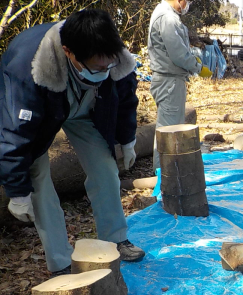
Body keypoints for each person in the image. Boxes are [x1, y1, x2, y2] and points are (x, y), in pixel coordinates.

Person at [0, 9, 145, 277]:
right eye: (97, 68)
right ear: (69, 52)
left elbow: (125, 101)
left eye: (108, 67)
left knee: (105, 167)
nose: (104, 71)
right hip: (41, 111)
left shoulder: (113, 55)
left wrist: (127, 140)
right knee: (38, 182)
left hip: (85, 106)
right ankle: (61, 263)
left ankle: (115, 239)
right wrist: (16, 190)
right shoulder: (26, 69)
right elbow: (14, 133)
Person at [148, 0, 212, 171]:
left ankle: (164, 175)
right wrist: (198, 67)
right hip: (169, 81)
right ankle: (163, 178)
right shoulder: (167, 17)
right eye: (187, 1)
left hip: (170, 80)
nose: (187, 4)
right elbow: (178, 54)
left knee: (167, 129)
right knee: (168, 133)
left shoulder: (166, 14)